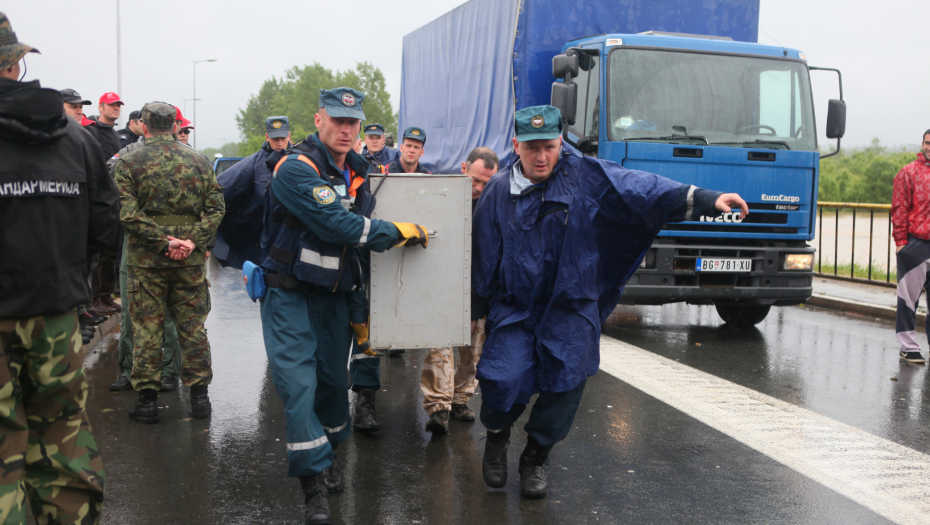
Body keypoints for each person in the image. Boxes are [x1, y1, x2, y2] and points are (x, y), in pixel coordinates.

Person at [473, 105, 748, 499]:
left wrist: (705, 198)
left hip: (572, 304)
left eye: (549, 147)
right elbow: (484, 252)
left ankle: (536, 454)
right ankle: (497, 436)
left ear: (560, 143)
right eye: (531, 148)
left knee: (566, 380)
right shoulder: (499, 190)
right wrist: (474, 310)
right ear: (516, 145)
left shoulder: (585, 174)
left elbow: (639, 188)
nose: (541, 157)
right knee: (503, 376)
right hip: (516, 306)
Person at [258, 87, 429, 523]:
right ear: (319, 121)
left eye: (352, 123)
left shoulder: (358, 171)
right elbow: (340, 226)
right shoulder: (295, 168)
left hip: (334, 300)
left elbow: (352, 259)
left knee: (334, 384)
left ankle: (330, 452)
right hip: (290, 296)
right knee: (299, 389)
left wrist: (360, 310)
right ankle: (312, 485)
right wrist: (397, 230)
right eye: (337, 120)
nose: (346, 129)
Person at [0, 12, 114, 523]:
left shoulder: (77, 134)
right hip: (57, 316)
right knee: (63, 436)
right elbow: (105, 222)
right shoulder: (74, 136)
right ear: (16, 62)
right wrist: (70, 272)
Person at [112, 102, 225, 424]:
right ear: (175, 126)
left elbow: (128, 215)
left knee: (147, 327)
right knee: (192, 327)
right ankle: (200, 399)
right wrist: (193, 241)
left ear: (144, 126)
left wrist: (163, 242)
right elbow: (216, 208)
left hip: (146, 260)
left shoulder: (128, 162)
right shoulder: (199, 161)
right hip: (188, 259)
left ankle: (147, 401)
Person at [419, 147, 499, 433]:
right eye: (475, 180)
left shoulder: (496, 206)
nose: (478, 189)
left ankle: (460, 399)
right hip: (443, 284)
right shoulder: (441, 196)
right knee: (440, 348)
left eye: (485, 184)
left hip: (478, 288)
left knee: (472, 351)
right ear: (464, 169)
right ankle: (439, 408)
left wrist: (479, 304)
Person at [215, 115, 292, 269]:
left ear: (289, 136)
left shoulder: (301, 160)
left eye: (283, 138)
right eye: (274, 138)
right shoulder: (253, 164)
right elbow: (217, 190)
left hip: (290, 237)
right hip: (261, 242)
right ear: (267, 137)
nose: (279, 143)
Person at [891, 129, 930, 365]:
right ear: (922, 144)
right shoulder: (908, 173)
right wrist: (900, 243)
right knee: (908, 299)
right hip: (915, 246)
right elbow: (899, 208)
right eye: (927, 143)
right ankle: (908, 346)